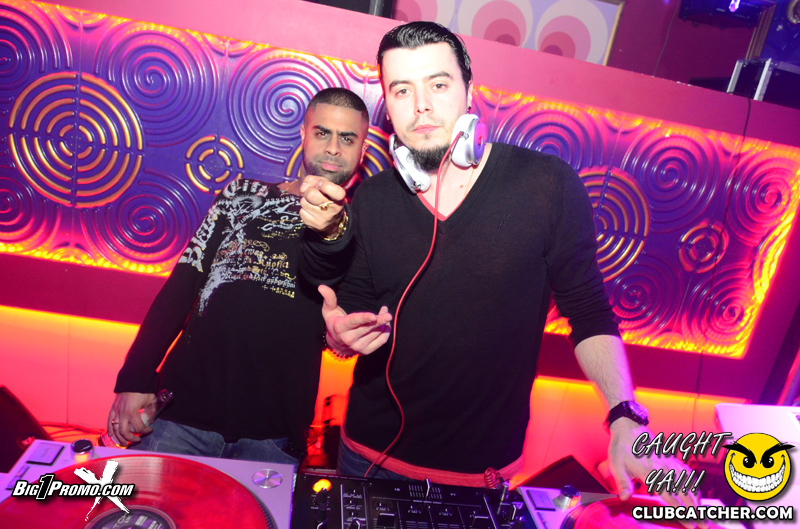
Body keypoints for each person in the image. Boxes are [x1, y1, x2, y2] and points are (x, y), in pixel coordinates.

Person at [301, 21, 706, 518]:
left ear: (469, 91)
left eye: (438, 84)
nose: (421, 105)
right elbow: (354, 317)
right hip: (368, 458)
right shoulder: (373, 200)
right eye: (402, 90)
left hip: (481, 473)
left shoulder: (547, 186)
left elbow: (589, 312)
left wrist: (626, 418)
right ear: (388, 103)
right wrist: (340, 336)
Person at [106, 87, 370, 466]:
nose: (332, 148)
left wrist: (343, 340)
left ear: (362, 150)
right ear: (303, 134)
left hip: (273, 435)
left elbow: (342, 330)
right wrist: (135, 378)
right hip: (181, 417)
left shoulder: (362, 230)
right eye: (322, 133)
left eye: (347, 138)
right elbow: (181, 287)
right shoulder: (241, 196)